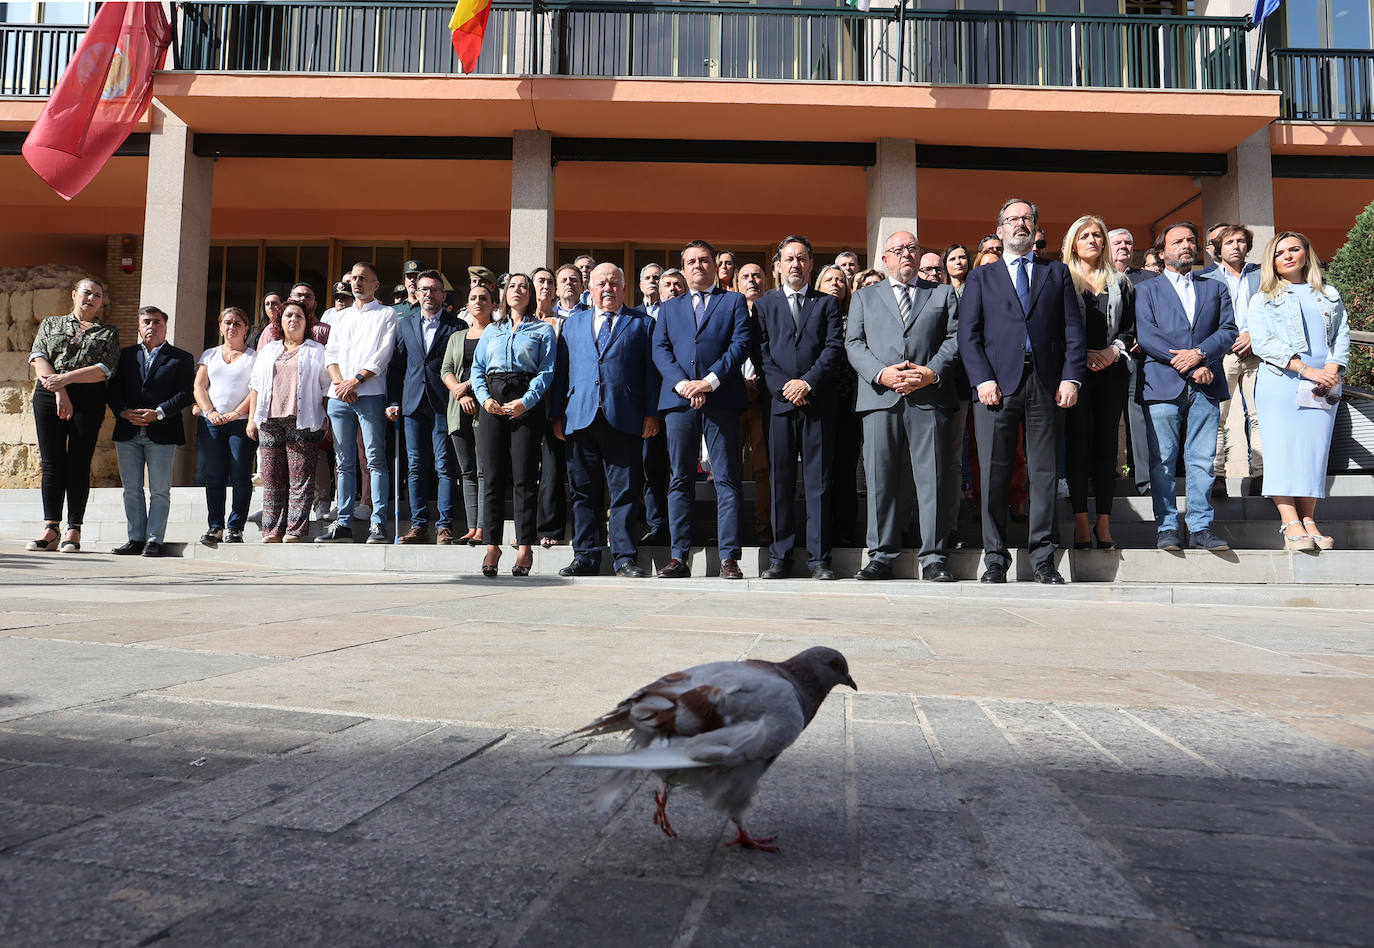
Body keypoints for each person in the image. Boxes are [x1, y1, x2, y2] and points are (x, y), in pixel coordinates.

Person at [958, 198, 1086, 584]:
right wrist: (982, 380)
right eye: (1012, 219)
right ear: (999, 230)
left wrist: (1071, 377)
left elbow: (1073, 331)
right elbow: (969, 335)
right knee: (994, 475)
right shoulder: (982, 277)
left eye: (1026, 219)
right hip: (995, 387)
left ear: (1035, 228)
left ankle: (1043, 559)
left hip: (1046, 383)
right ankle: (994, 559)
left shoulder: (1056, 272)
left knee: (1044, 474)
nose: (1019, 224)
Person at [846, 232, 960, 582]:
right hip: (881, 398)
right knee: (881, 480)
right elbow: (853, 342)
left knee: (934, 479)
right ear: (885, 259)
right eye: (898, 250)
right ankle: (880, 556)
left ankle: (934, 557)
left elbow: (955, 337)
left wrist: (930, 372)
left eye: (912, 248)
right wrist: (881, 373)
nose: (906, 254)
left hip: (929, 397)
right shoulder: (864, 297)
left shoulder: (941, 293)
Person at [552, 263, 660, 578]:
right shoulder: (573, 324)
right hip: (580, 417)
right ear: (591, 287)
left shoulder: (642, 323)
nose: (608, 288)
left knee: (625, 492)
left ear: (624, 287)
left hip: (624, 417)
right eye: (601, 283)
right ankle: (585, 555)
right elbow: (562, 372)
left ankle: (624, 557)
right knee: (583, 492)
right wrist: (557, 414)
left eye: (614, 282)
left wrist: (651, 413)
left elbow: (651, 374)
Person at [1134, 221, 1237, 552]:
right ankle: (1166, 528)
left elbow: (1228, 330)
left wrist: (1202, 356)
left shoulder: (1214, 287)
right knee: (1163, 460)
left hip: (1206, 384)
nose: (1186, 245)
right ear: (1162, 252)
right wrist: (1188, 364)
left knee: (1202, 459)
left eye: (1191, 240)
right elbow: (1147, 335)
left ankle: (1200, 527)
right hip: (1163, 384)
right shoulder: (1146, 290)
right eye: (1178, 241)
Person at [652, 240, 752, 579]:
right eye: (691, 261)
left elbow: (740, 344)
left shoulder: (734, 301)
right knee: (680, 479)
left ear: (714, 265)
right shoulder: (668, 307)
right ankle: (679, 556)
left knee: (726, 479)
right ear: (683, 268)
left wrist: (708, 382)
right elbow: (661, 349)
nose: (698, 265)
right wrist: (684, 385)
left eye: (704, 260)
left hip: (721, 399)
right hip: (679, 401)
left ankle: (729, 558)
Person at [1247, 232, 1350, 551]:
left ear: (1307, 253)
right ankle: (1289, 520)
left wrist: (1331, 368)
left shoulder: (1329, 293)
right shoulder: (1263, 297)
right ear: (1272, 261)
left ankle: (1309, 520)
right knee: (1282, 452)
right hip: (1282, 382)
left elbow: (1341, 332)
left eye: (1294, 249)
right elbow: (1264, 343)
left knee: (1313, 453)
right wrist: (1306, 369)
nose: (1288, 256)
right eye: (1280, 253)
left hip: (1324, 385)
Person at [754, 236, 846, 580]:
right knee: (780, 481)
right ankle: (780, 558)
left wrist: (806, 382)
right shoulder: (764, 306)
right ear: (778, 265)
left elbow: (833, 348)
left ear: (810, 264)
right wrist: (785, 386)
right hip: (779, 405)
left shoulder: (827, 304)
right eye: (789, 259)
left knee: (818, 483)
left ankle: (820, 559)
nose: (795, 264)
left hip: (817, 403)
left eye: (802, 258)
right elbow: (760, 353)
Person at [26, 277, 120, 553]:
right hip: (48, 393)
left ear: (102, 301)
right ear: (74, 295)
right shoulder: (51, 323)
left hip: (88, 397)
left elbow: (106, 368)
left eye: (98, 295)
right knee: (52, 461)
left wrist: (65, 380)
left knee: (79, 462)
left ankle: (74, 529)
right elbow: (38, 356)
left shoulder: (108, 332)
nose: (91, 298)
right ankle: (51, 527)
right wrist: (59, 390)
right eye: (87, 293)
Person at [472, 273, 556, 576]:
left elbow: (546, 372)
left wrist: (526, 402)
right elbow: (478, 368)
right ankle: (492, 544)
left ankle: (524, 546)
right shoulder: (492, 330)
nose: (518, 290)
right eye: (513, 286)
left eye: (524, 286)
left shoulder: (543, 330)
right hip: (492, 399)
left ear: (531, 295)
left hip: (525, 399)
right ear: (505, 294)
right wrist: (483, 399)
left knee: (523, 478)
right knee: (492, 477)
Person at [1061, 215, 1135, 551]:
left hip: (1111, 371)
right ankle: (1079, 521)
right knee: (1077, 446)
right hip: (1074, 374)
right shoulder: (1061, 278)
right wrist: (1079, 357)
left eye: (1098, 235)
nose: (1093, 240)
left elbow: (1131, 329)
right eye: (1085, 235)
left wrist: (1112, 351)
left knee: (1107, 448)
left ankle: (1103, 522)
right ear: (1073, 243)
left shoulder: (1120, 282)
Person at [316, 261, 397, 545]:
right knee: (343, 462)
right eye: (354, 278)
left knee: (374, 459)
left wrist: (356, 381)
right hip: (340, 395)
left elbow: (382, 355)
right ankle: (344, 523)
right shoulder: (340, 317)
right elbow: (331, 353)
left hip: (370, 393)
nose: (357, 283)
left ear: (376, 284)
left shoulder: (386, 314)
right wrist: (340, 383)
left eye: (364, 278)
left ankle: (378, 523)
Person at [107, 306, 195, 557]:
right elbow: (113, 390)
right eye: (146, 321)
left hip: (162, 431)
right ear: (138, 325)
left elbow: (185, 394)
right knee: (131, 488)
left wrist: (159, 412)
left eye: (157, 322)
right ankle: (135, 538)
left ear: (165, 327)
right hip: (128, 430)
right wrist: (123, 411)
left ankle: (154, 540)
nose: (151, 326)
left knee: (159, 489)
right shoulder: (124, 356)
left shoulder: (181, 358)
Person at [386, 269, 465, 545]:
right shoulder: (405, 324)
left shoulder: (457, 326)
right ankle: (418, 525)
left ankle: (444, 526)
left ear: (443, 295)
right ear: (416, 294)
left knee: (445, 466)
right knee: (416, 466)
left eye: (434, 289)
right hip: (412, 404)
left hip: (444, 404)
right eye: (424, 289)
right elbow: (396, 367)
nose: (429, 294)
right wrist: (394, 401)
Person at [247, 301, 331, 541]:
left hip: (303, 420)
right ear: (280, 322)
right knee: (272, 478)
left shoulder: (317, 350)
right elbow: (255, 386)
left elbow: (326, 389)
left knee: (300, 479)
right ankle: (272, 530)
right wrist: (252, 420)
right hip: (269, 420)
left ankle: (294, 530)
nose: (293, 319)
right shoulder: (268, 351)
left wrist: (327, 421)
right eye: (288, 316)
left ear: (307, 322)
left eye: (299, 316)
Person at [1199, 224, 1263, 486]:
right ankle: (1217, 478)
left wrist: (1253, 337)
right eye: (1229, 242)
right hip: (1222, 355)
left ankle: (1261, 475)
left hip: (1257, 353)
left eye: (1240, 241)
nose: (1236, 246)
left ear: (1247, 246)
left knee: (1260, 417)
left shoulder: (1263, 274)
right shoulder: (1204, 278)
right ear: (1218, 249)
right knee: (1217, 416)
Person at [193, 307, 257, 545]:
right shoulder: (209, 354)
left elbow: (256, 390)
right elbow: (199, 386)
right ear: (220, 326)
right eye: (227, 323)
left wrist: (235, 413)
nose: (232, 327)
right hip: (212, 423)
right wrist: (210, 412)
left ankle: (236, 528)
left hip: (240, 423)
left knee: (240, 475)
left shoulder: (255, 357)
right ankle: (215, 526)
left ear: (246, 328)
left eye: (238, 323)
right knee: (214, 475)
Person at [441, 284, 494, 545]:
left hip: (484, 408)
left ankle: (484, 528)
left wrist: (470, 386)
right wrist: (460, 393)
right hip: (458, 408)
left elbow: (494, 368)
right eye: (473, 298)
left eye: (484, 298)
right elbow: (446, 369)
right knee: (467, 471)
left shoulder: (497, 333)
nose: (478, 302)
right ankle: (472, 527)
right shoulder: (456, 336)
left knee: (484, 470)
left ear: (493, 304)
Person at [1108, 228, 1157, 498]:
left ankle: (1145, 480)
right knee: (1107, 419)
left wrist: (1143, 339)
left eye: (1129, 242)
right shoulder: (1097, 277)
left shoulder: (1149, 279)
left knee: (1138, 418)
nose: (1124, 246)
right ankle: (1106, 474)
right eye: (1118, 242)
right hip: (1106, 358)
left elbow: (1156, 316)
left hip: (1141, 359)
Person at [817, 261, 863, 548]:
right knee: (822, 470)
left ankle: (845, 530)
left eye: (840, 281)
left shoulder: (855, 318)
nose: (835, 284)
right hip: (818, 402)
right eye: (829, 280)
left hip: (849, 403)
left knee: (845, 470)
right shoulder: (811, 318)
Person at [735, 262, 773, 547]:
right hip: (732, 400)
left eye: (756, 276)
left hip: (764, 399)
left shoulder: (773, 310)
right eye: (745, 277)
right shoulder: (728, 311)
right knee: (730, 469)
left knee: (763, 468)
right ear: (737, 284)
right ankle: (730, 532)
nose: (752, 281)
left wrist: (758, 383)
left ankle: (764, 530)